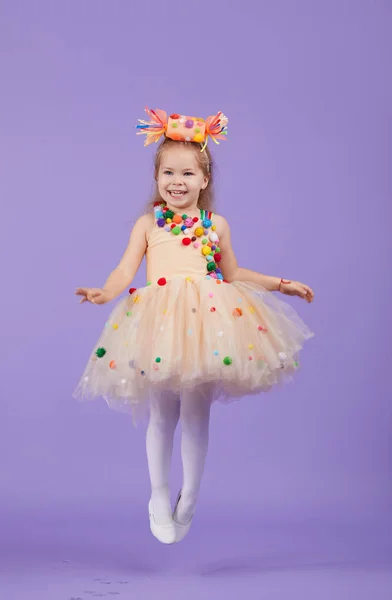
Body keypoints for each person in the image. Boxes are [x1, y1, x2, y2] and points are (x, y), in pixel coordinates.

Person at [73, 108, 315, 545]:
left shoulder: (214, 225)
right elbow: (124, 271)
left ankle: (191, 497)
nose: (177, 181)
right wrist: (104, 294)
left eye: (187, 173)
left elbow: (234, 274)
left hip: (208, 324)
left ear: (204, 181)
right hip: (159, 324)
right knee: (162, 414)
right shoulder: (148, 224)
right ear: (156, 176)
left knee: (197, 416)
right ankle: (159, 496)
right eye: (168, 172)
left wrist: (280, 284)